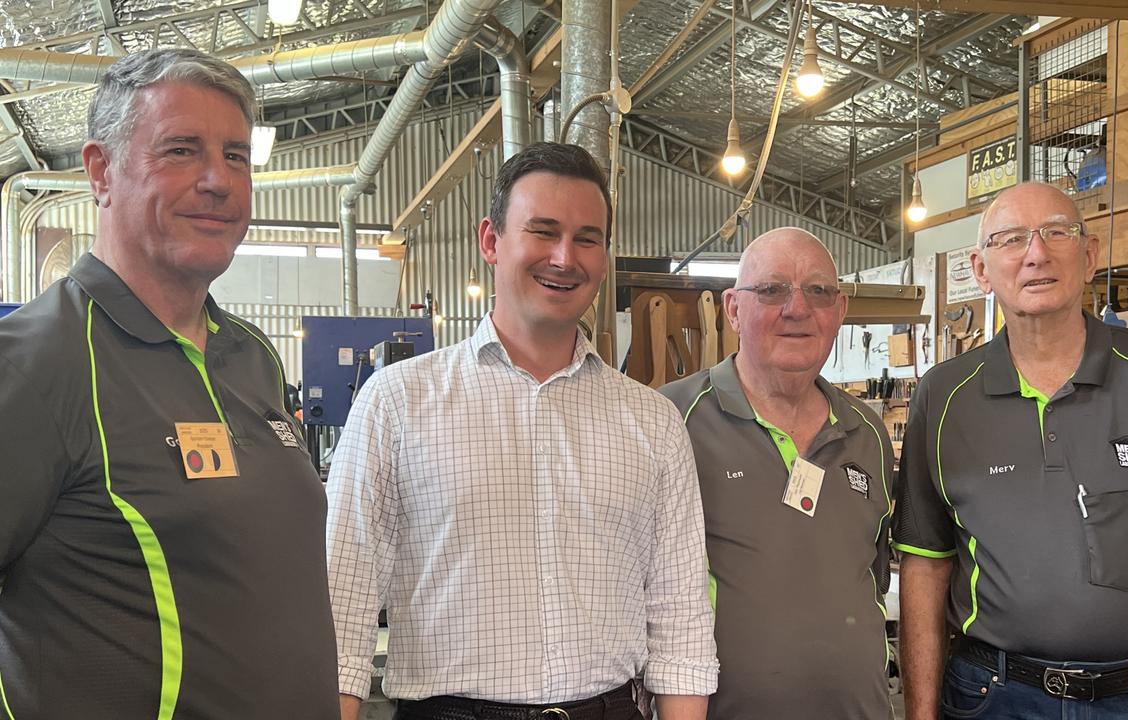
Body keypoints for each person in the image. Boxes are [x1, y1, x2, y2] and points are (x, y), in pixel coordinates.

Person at [325, 142, 718, 720]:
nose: (565, 257)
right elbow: (343, 605)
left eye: (588, 238)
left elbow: (680, 616)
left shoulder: (653, 421)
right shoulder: (396, 402)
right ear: (491, 239)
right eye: (543, 230)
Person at [0, 48, 339, 718]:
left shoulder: (251, 357)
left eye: (237, 156)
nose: (218, 180)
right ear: (101, 171)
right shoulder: (36, 366)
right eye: (181, 150)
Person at [894, 182, 1128, 720]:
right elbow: (926, 567)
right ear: (980, 267)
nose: (1036, 253)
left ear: (1089, 256)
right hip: (993, 697)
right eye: (1012, 239)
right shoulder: (944, 396)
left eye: (1056, 233)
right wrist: (920, 713)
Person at [660, 228, 896, 719]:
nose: (797, 309)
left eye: (818, 291)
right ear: (732, 308)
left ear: (840, 309)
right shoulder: (669, 418)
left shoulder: (868, 431)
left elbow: (871, 577)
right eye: (771, 290)